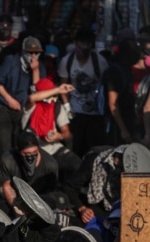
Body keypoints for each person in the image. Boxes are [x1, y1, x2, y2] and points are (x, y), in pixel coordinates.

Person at [0, 36, 46, 167]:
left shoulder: (40, 67)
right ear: (23, 51)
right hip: (4, 107)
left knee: (20, 146)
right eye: (30, 53)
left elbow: (38, 89)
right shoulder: (11, 61)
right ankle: (2, 182)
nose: (33, 56)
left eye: (36, 53)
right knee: (4, 147)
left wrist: (35, 71)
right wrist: (9, 99)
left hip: (24, 110)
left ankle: (18, 177)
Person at [57, 28, 109, 157]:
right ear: (75, 43)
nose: (84, 47)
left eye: (88, 43)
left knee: (94, 149)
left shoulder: (100, 62)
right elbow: (63, 85)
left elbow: (106, 86)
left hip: (95, 113)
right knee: (76, 148)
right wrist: (67, 106)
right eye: (82, 43)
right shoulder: (67, 61)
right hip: (75, 113)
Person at [21, 78, 81, 182]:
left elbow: (67, 133)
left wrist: (60, 136)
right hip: (35, 152)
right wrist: (58, 90)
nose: (51, 99)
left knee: (78, 165)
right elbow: (32, 98)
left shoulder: (56, 107)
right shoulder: (32, 106)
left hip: (54, 149)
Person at [0, 131, 58, 211]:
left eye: (34, 152)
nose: (30, 156)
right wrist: (15, 206)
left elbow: (50, 192)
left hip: (40, 198)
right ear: (18, 151)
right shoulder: (8, 160)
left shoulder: (50, 165)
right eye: (26, 153)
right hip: (17, 196)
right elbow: (7, 186)